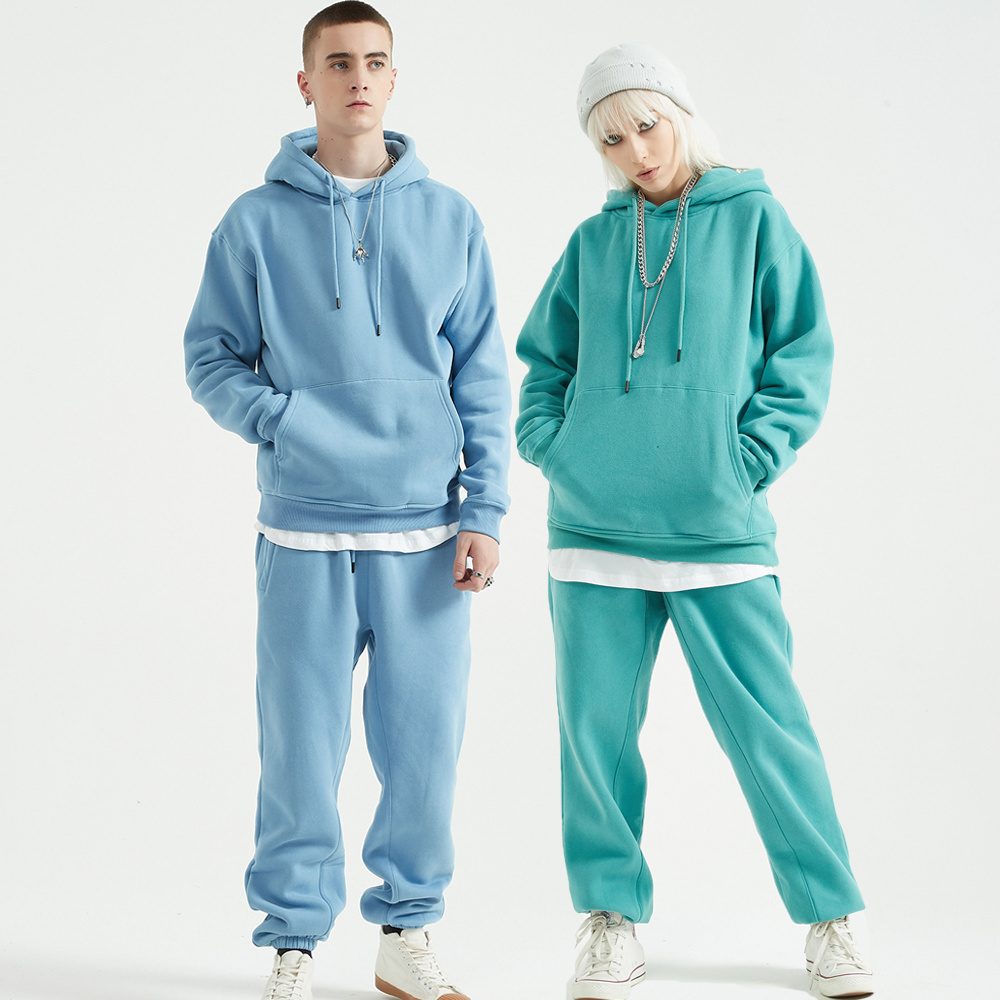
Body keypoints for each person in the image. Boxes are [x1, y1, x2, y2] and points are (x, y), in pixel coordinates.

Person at [515, 44, 873, 1000]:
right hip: (593, 532)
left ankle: (830, 920)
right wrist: (557, 447)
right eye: (611, 140)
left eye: (646, 126)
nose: (636, 152)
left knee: (771, 732)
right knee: (594, 741)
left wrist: (745, 460)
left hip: (719, 528)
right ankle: (610, 921)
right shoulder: (593, 243)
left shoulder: (755, 219)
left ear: (679, 114)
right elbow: (543, 362)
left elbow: (802, 352)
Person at [183, 5, 510, 999]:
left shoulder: (450, 218)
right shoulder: (253, 221)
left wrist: (485, 511)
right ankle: (293, 941)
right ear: (306, 83)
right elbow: (210, 358)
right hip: (303, 531)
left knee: (423, 754)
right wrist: (286, 420)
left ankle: (406, 933)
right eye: (337, 63)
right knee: (298, 753)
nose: (358, 77)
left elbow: (483, 375)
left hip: (427, 536)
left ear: (394, 79)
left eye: (375, 61)